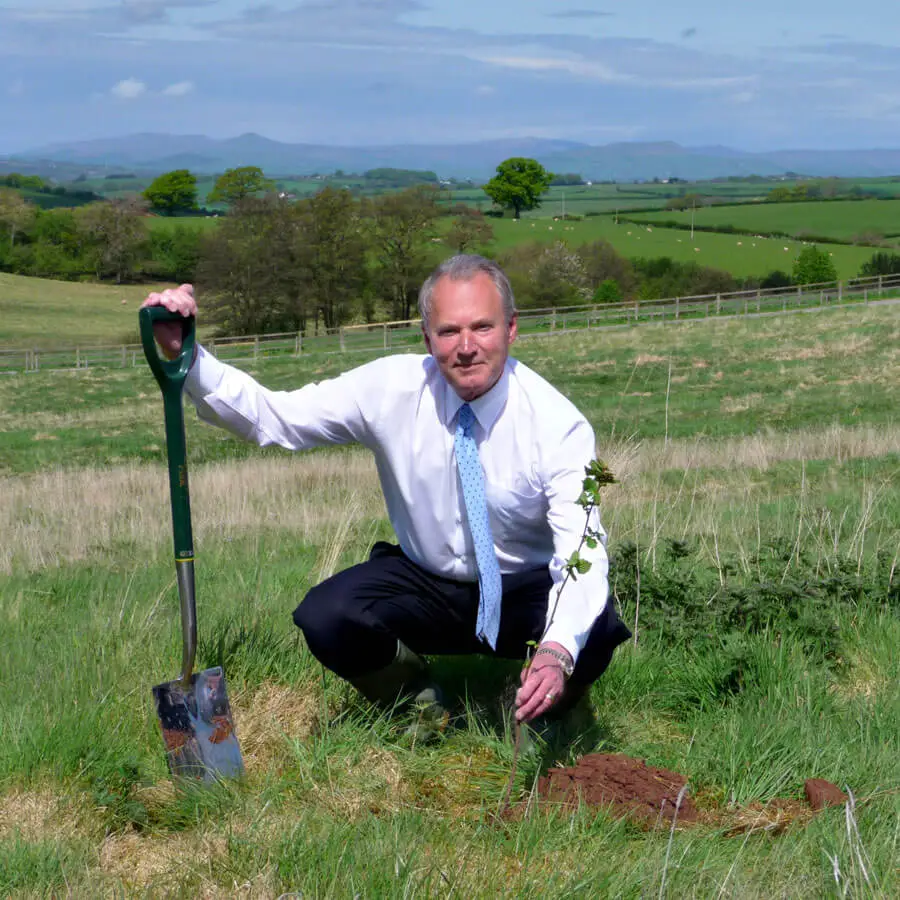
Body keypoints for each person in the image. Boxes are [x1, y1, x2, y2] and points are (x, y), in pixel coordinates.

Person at [142, 254, 630, 731]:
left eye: (482, 327)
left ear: (511, 329)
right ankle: (415, 698)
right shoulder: (391, 388)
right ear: (426, 337)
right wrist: (185, 354)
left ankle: (543, 702)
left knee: (594, 626)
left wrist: (554, 649)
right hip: (428, 586)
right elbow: (277, 419)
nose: (466, 347)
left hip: (522, 591)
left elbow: (581, 551)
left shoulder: (557, 424)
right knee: (327, 615)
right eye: (448, 331)